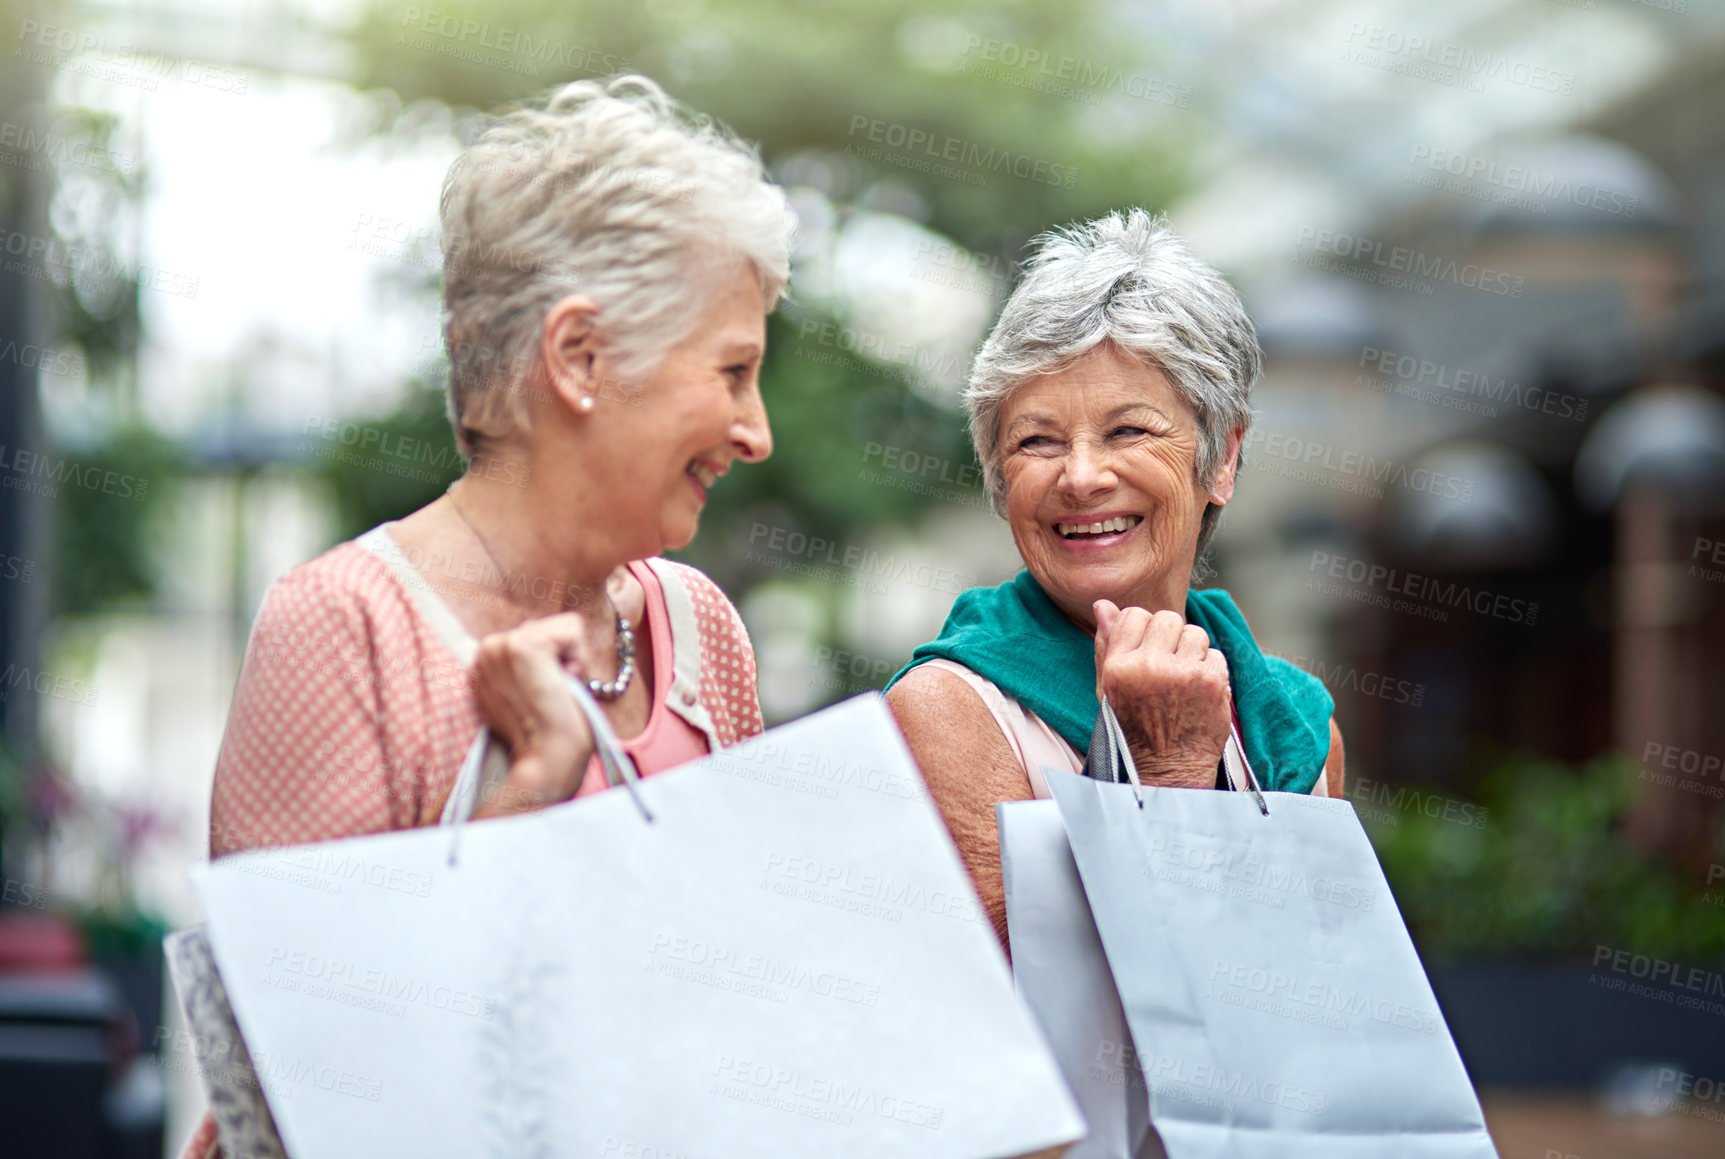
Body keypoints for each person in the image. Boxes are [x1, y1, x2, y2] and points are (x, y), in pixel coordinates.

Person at [177, 75, 794, 1159]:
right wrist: (531, 790)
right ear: (580, 358)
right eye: (733, 371)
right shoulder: (344, 626)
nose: (757, 431)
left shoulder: (702, 630)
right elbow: (313, 1087)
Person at [886, 209, 1345, 952]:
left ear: (1220, 459)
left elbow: (1304, 988)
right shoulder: (948, 710)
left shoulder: (1299, 725)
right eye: (1035, 440)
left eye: (1127, 430)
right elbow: (1006, 1008)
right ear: (999, 477)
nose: (1081, 476)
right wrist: (1165, 772)